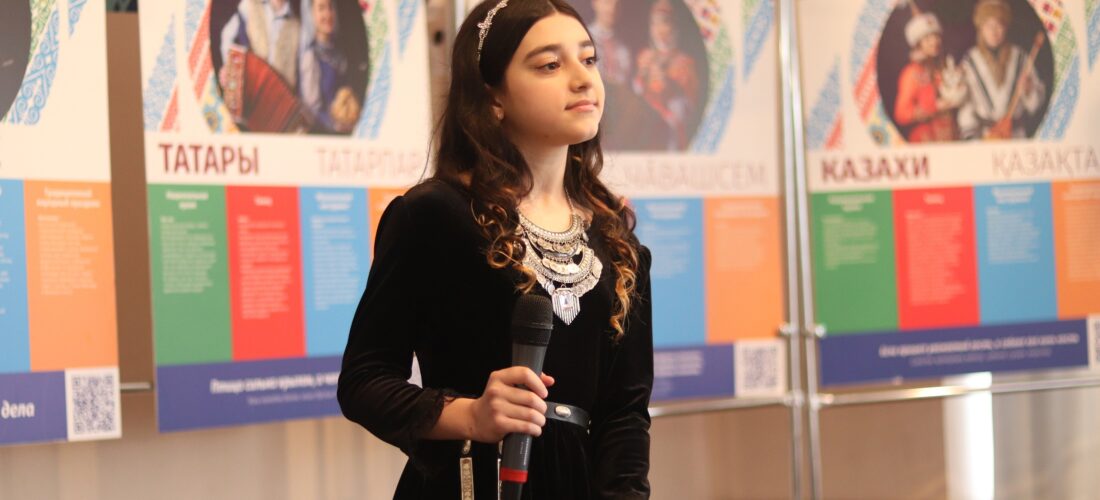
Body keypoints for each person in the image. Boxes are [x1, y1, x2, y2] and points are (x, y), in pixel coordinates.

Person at [337, 0, 654, 499]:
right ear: (493, 97)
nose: (582, 79)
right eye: (550, 65)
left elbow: (626, 416)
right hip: (466, 483)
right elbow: (363, 380)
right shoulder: (434, 215)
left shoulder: (617, 239)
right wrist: (470, 415)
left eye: (589, 59)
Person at [958, 0, 1046, 140]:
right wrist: (971, 138)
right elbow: (966, 105)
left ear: (1006, 28)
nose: (994, 32)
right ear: (981, 29)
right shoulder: (970, 61)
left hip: (1015, 135)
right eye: (989, 26)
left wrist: (1028, 89)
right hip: (985, 136)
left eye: (999, 25)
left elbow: (1036, 104)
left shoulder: (1020, 57)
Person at [633, 0, 701, 150]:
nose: (659, 29)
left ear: (673, 26)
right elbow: (635, 92)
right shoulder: (645, 57)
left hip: (670, 133)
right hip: (644, 129)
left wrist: (670, 85)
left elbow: (690, 107)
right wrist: (642, 77)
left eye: (664, 22)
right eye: (654, 23)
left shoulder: (684, 63)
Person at [893, 11, 965, 143]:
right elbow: (901, 113)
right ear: (918, 44)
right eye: (927, 39)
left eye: (936, 36)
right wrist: (935, 107)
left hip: (951, 136)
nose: (934, 42)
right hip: (925, 140)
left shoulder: (945, 66)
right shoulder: (912, 72)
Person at [298, 0, 362, 133]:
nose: (328, 14)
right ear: (311, 15)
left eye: (330, 7)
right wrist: (336, 126)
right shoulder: (311, 58)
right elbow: (311, 111)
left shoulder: (339, 53)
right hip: (323, 134)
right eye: (321, 9)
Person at [220, 0, 301, 90]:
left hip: (277, 93)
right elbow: (227, 36)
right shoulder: (250, 4)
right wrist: (230, 66)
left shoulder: (297, 27)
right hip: (248, 87)